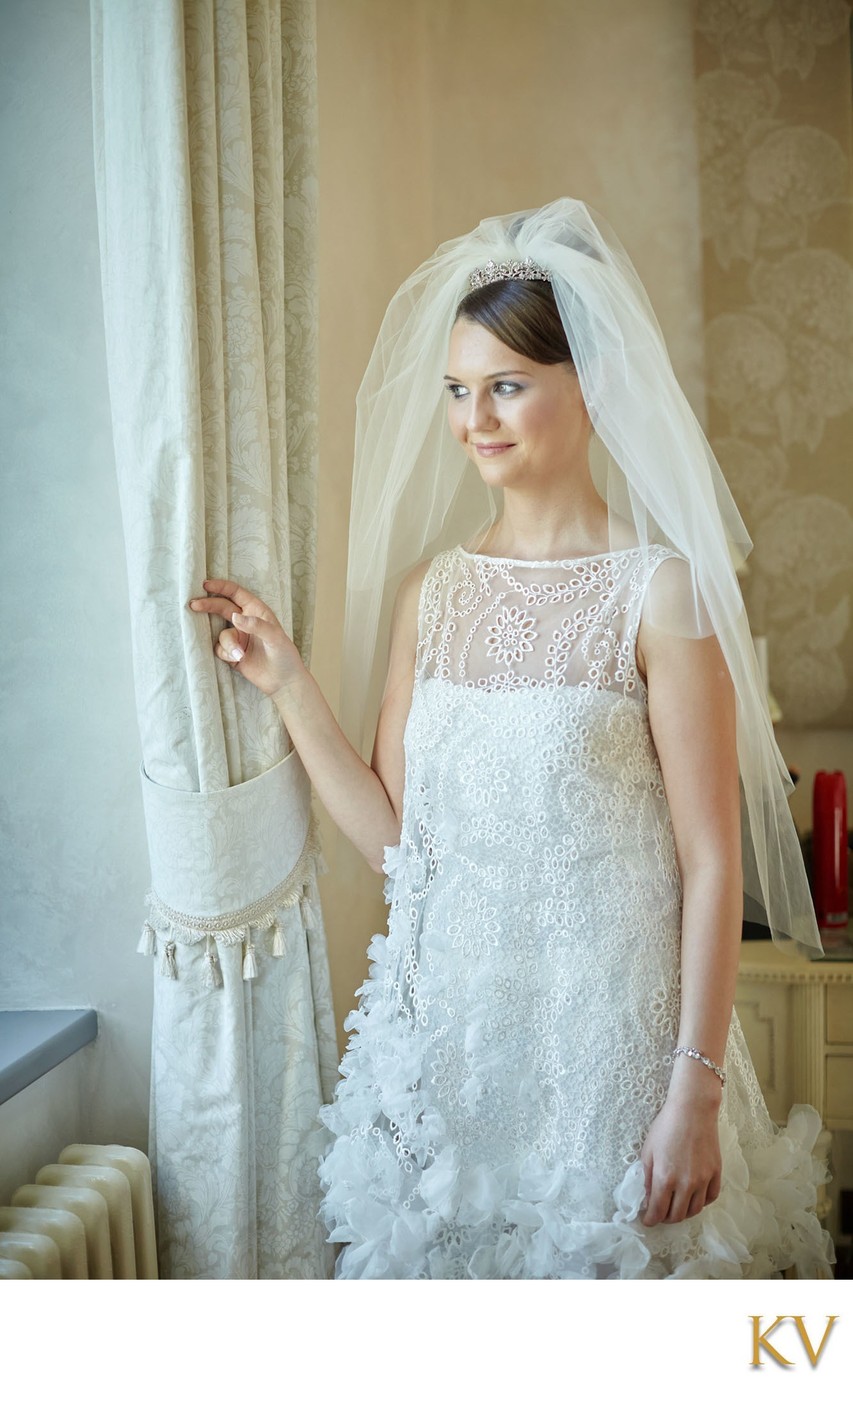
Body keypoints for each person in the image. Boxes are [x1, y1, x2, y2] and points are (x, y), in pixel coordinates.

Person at [190, 199, 835, 1279]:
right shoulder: (431, 595)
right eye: (456, 390)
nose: (473, 419)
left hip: (618, 1074)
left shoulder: (657, 593)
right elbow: (397, 839)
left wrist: (695, 1087)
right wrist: (288, 683)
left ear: (588, 385)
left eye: (505, 386)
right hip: (452, 1067)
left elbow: (711, 860)